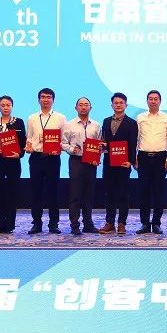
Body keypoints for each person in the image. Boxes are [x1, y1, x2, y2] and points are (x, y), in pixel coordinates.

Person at [25, 88, 67, 234]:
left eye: (49, 97)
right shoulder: (32, 118)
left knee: (53, 191)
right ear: (39, 100)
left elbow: (63, 139)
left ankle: (53, 224)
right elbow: (29, 137)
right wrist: (28, 146)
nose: (46, 99)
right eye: (43, 97)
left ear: (53, 100)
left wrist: (59, 148)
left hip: (53, 158)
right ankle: (37, 223)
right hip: (36, 157)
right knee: (36, 191)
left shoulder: (60, 117)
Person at [61, 97, 102, 236]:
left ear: (90, 107)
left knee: (89, 194)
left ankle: (88, 224)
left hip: (91, 163)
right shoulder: (69, 124)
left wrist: (97, 157)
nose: (83, 107)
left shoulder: (96, 125)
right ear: (76, 108)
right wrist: (72, 149)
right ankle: (74, 225)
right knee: (75, 194)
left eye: (86, 105)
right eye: (81, 105)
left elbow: (99, 144)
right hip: (76, 161)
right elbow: (63, 143)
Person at [99, 92, 138, 235]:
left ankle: (122, 223)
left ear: (126, 105)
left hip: (123, 163)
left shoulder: (132, 123)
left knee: (123, 193)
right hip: (108, 162)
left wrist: (131, 161)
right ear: (112, 105)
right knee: (109, 193)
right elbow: (104, 140)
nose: (118, 105)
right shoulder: (106, 121)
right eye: (116, 103)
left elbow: (133, 144)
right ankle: (109, 223)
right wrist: (101, 146)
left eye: (121, 103)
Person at [0, 95, 26, 234]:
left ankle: (9, 225)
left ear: (12, 106)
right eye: (3, 105)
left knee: (12, 193)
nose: (5, 107)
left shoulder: (19, 122)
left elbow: (23, 142)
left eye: (8, 105)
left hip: (13, 162)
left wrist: (19, 154)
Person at [135, 90, 167, 235]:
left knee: (158, 192)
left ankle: (156, 223)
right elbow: (136, 138)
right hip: (143, 157)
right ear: (147, 101)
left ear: (160, 101)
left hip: (160, 157)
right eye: (151, 99)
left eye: (156, 99)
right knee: (143, 191)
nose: (153, 101)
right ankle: (144, 223)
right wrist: (135, 156)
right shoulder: (140, 117)